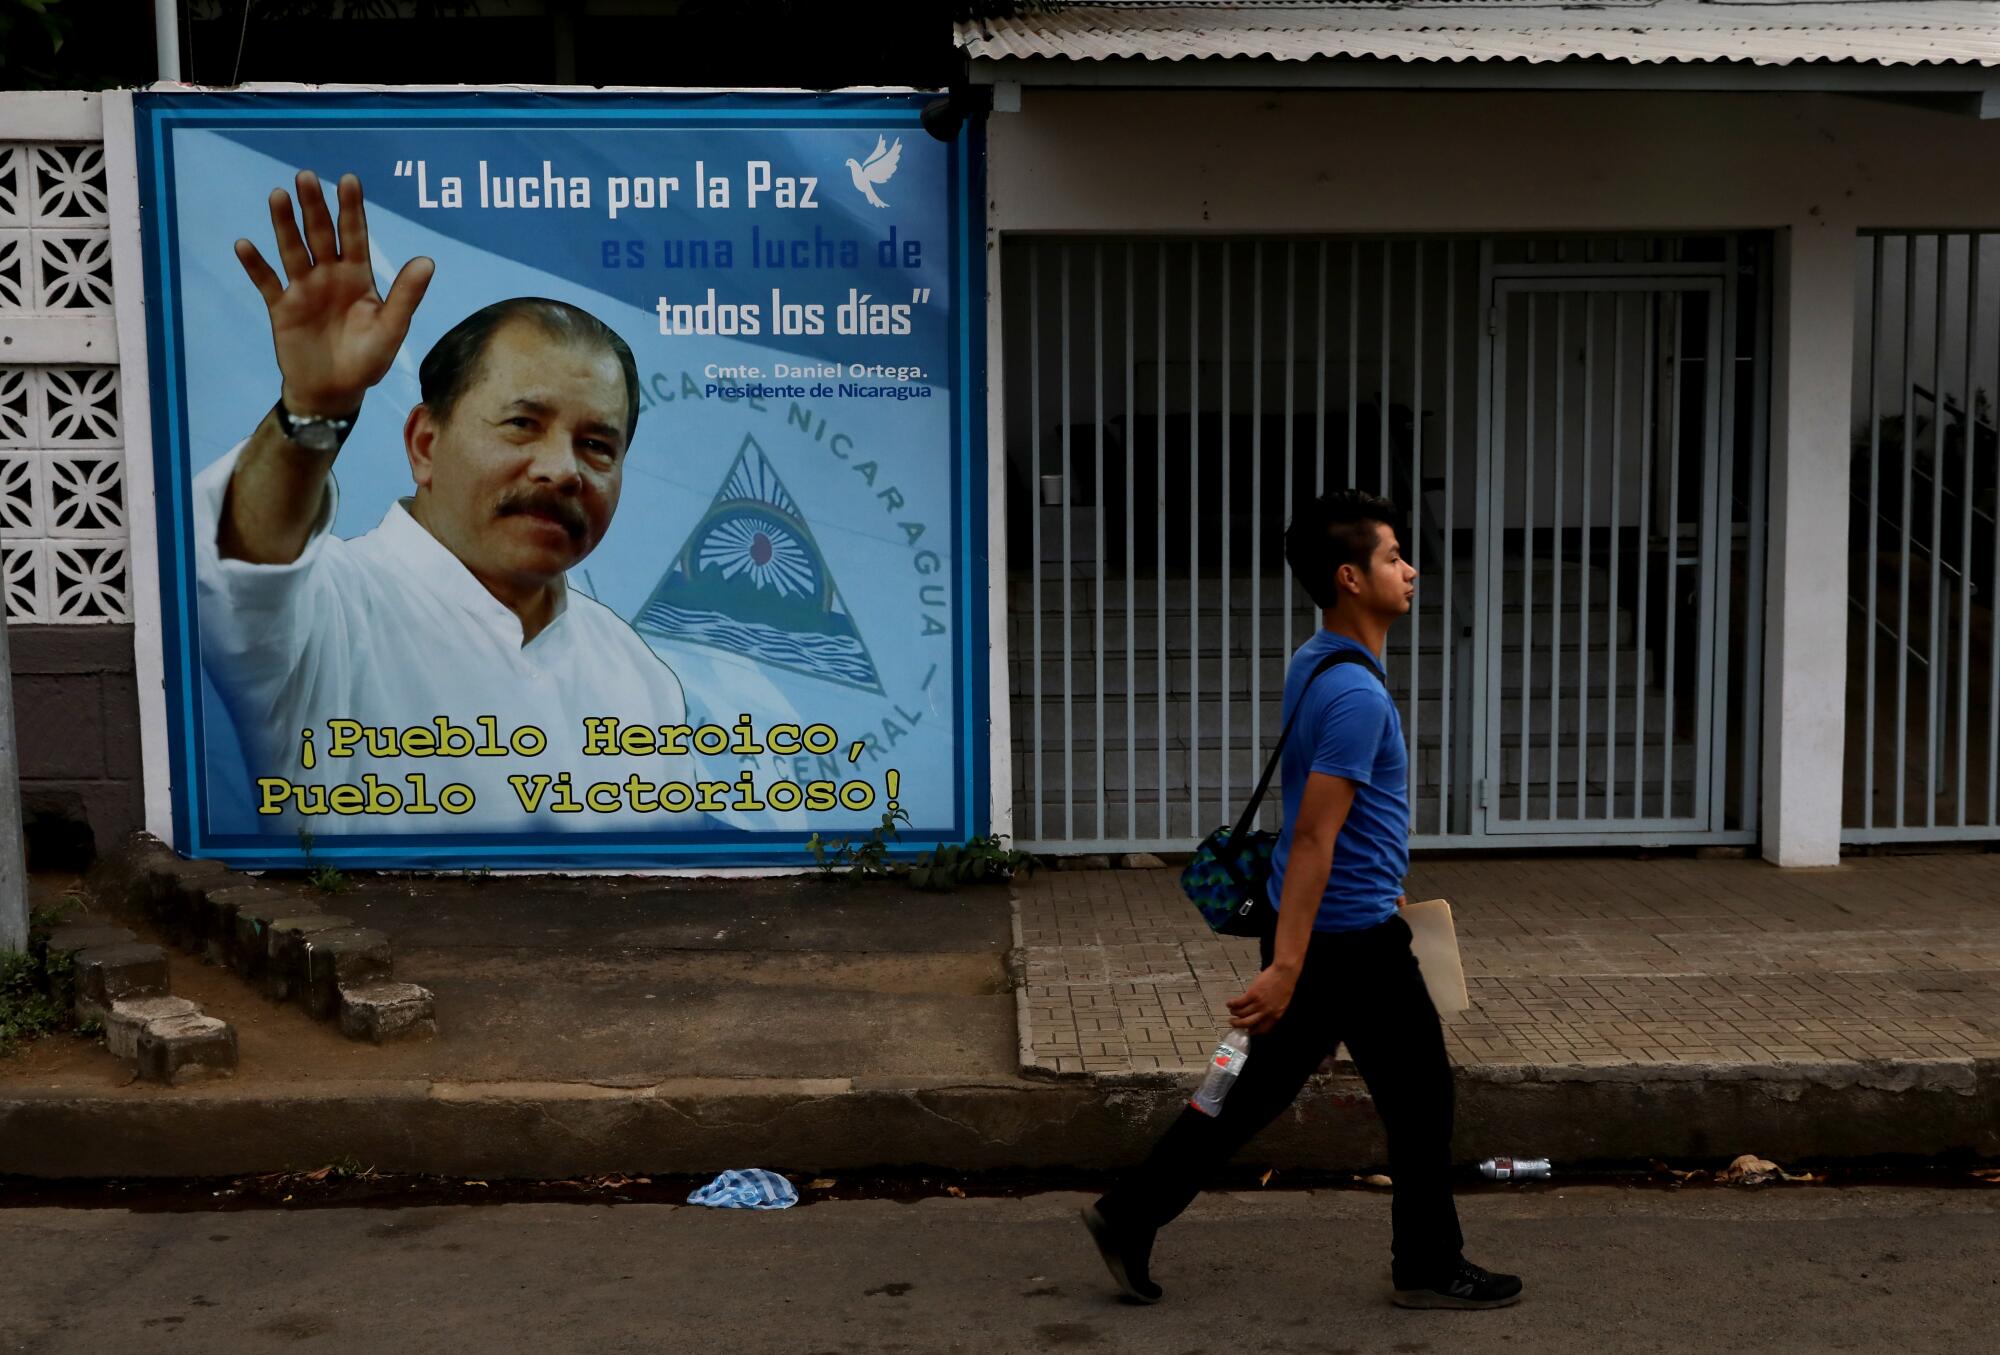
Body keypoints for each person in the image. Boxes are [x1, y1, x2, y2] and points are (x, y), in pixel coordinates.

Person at [1080, 489, 1523, 1310]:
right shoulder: (1356, 694)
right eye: (1395, 556)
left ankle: (1130, 1212)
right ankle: (1426, 1266)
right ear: (1352, 576)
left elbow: (1326, 836)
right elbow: (1315, 834)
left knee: (1253, 1090)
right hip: (1347, 940)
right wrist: (1288, 967)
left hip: (1325, 929)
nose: (1411, 568)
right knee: (1422, 1099)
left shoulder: (1317, 657)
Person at [196, 169, 692, 832]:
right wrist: (313, 409)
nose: (562, 470)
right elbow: (247, 561)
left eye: (597, 444)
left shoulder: (638, 678)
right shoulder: (327, 611)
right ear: (426, 443)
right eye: (522, 423)